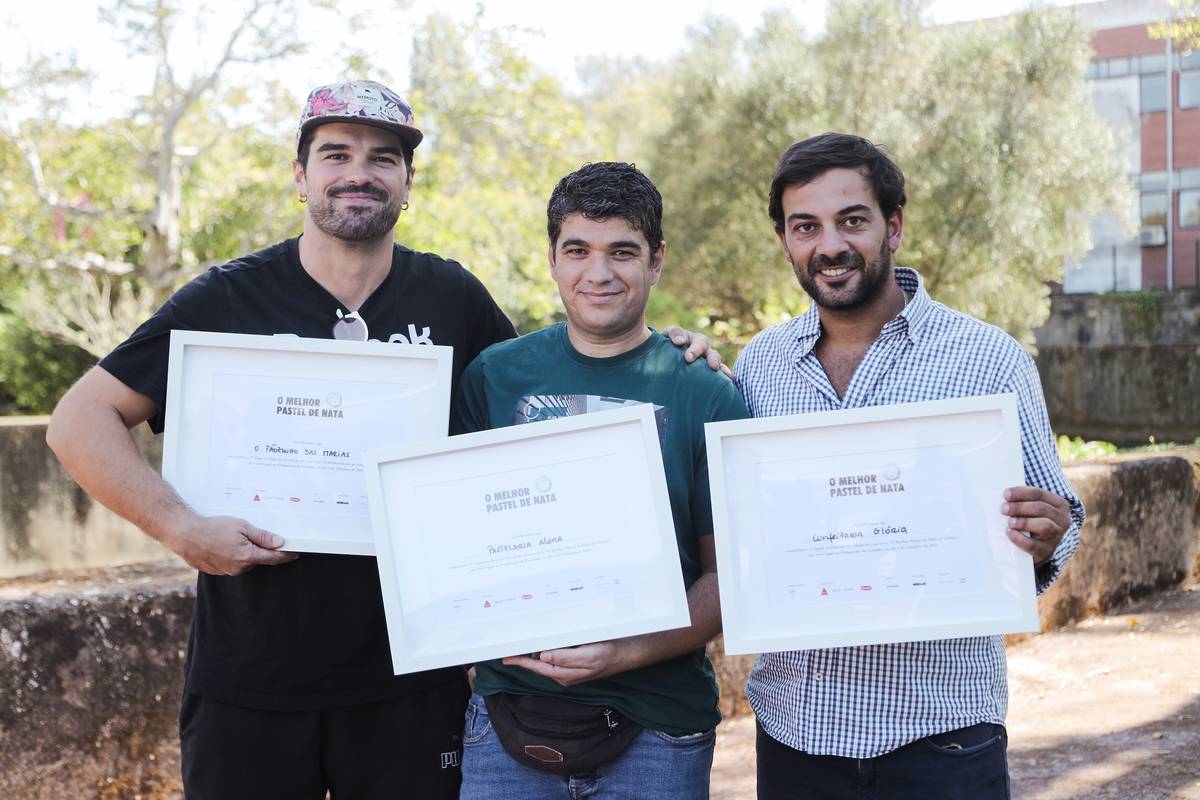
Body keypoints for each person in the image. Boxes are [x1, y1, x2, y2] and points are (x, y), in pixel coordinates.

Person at [45, 81, 720, 800]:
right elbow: (77, 422)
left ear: (407, 182)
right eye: (335, 153)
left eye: (384, 156)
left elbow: (547, 398)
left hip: (414, 687)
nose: (359, 171)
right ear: (300, 176)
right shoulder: (226, 300)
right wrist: (181, 527)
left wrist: (666, 350)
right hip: (250, 681)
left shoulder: (452, 297)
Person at [734, 133, 1084, 800]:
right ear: (785, 240)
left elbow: (1058, 520)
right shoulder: (760, 365)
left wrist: (1044, 536)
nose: (829, 245)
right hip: (795, 737)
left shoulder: (988, 360)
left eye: (852, 220)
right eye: (806, 226)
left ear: (893, 225)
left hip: (943, 738)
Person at [453, 161, 748, 799]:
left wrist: (623, 653)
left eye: (623, 251)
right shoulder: (494, 377)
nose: (600, 273)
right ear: (553, 259)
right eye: (578, 250)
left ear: (656, 259)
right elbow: (455, 545)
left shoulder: (706, 391)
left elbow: (728, 574)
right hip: (507, 722)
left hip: (659, 729)